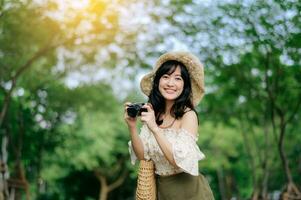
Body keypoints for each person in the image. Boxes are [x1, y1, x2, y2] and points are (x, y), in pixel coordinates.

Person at [124, 52, 215, 200]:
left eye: (177, 78)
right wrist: (132, 127)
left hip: (190, 192)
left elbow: (178, 160)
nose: (170, 83)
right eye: (165, 77)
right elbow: (142, 156)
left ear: (184, 85)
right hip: (161, 191)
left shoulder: (188, 115)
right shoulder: (154, 113)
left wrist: (154, 128)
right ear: (158, 82)